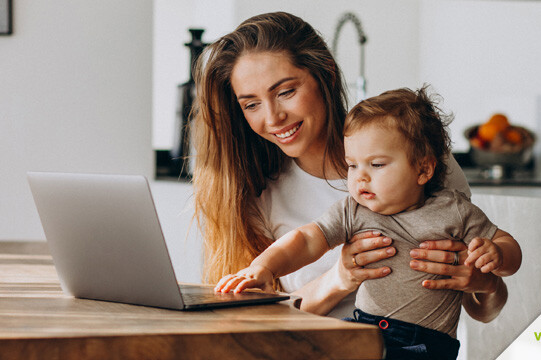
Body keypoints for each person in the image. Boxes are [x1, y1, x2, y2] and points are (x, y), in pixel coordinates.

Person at [191, 11, 508, 326]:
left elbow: (484, 311)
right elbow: (258, 324)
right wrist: (339, 278)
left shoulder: (416, 155)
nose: (273, 118)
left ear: (326, 74)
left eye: (286, 92)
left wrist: (485, 283)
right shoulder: (259, 192)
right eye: (251, 104)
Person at [215, 87, 523, 360]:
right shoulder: (354, 209)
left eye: (376, 165)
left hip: (424, 346)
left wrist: (498, 254)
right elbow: (307, 239)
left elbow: (508, 251)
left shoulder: (453, 209)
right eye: (352, 165)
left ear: (423, 169)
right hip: (363, 329)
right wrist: (265, 267)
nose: (360, 176)